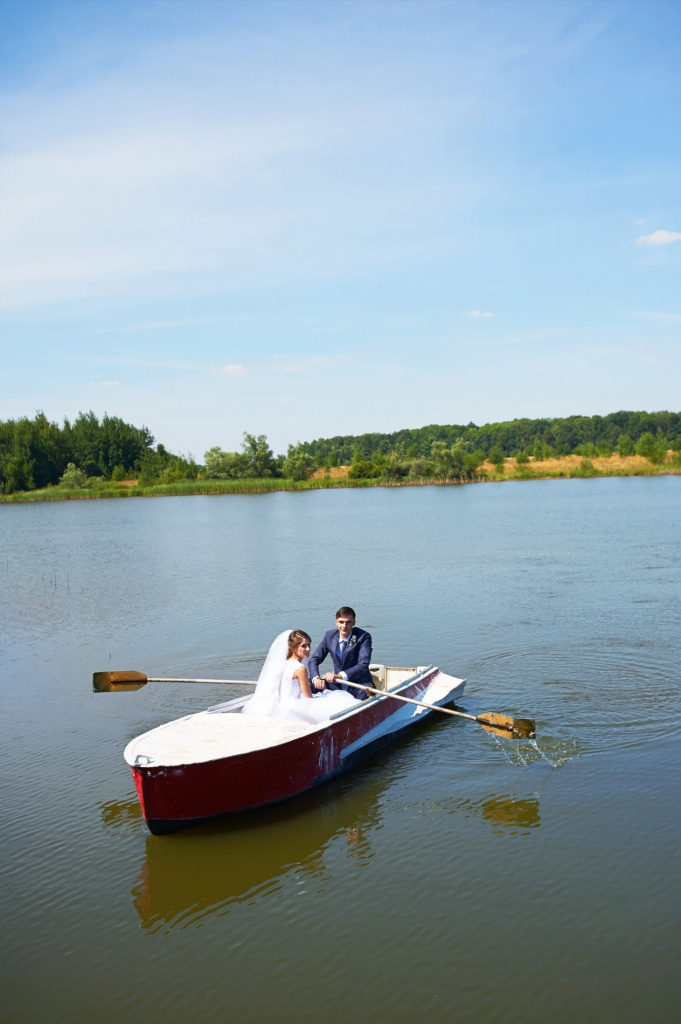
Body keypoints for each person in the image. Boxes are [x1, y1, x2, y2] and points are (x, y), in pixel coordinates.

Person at [243, 628, 359, 723]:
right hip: (294, 708)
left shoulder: (281, 664)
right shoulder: (300, 669)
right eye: (303, 646)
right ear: (293, 648)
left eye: (309, 645)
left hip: (280, 705)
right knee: (341, 701)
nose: (308, 649)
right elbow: (308, 698)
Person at [309, 606, 373, 701]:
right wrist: (316, 678)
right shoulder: (329, 636)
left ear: (354, 622)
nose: (344, 626)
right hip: (337, 684)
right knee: (312, 685)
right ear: (336, 622)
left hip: (358, 684)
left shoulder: (363, 637)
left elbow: (363, 664)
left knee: (362, 695)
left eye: (348, 622)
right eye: (341, 622)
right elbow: (314, 659)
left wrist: (339, 675)